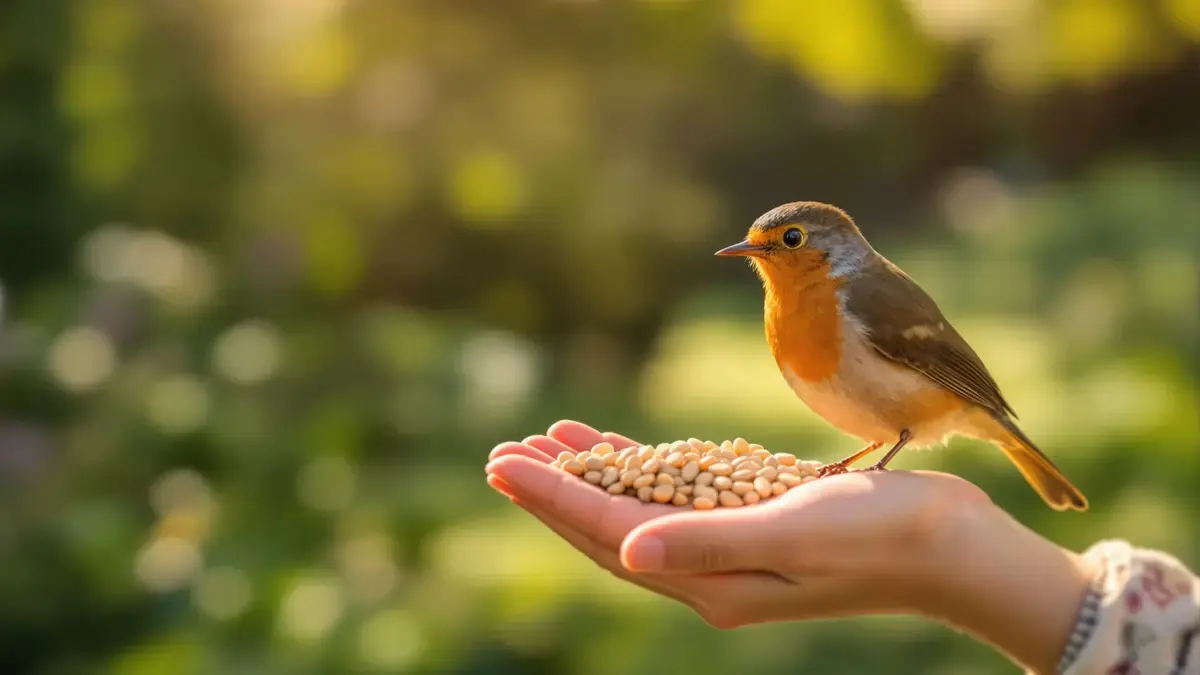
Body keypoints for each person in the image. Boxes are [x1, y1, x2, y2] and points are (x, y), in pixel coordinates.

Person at [484, 420, 1199, 675]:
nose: (758, 255)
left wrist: (937, 537)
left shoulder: (848, 298)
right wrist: (947, 544)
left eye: (787, 241)